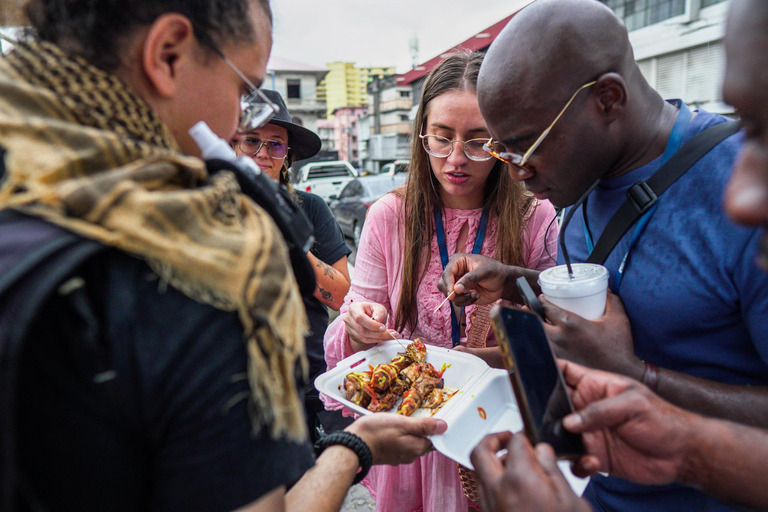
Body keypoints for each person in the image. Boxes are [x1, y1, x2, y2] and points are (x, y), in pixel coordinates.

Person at [0, 1, 447, 511]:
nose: (239, 129)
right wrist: (354, 449)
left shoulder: (22, 196)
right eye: (242, 91)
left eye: (273, 143)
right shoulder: (200, 268)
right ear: (167, 55)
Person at [438, 0, 768, 510]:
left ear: (608, 99)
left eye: (527, 146)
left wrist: (639, 377)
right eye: (504, 151)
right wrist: (522, 282)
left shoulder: (746, 191)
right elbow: (627, 297)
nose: (517, 171)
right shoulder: (578, 179)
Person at [323, 51, 559, 511]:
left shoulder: (536, 216)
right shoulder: (389, 216)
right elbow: (357, 316)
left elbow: (559, 335)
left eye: (478, 142)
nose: (456, 159)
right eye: (442, 138)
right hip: (414, 430)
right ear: (422, 135)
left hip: (501, 426)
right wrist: (360, 324)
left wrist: (484, 359)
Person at [233, 89, 353, 442]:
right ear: (232, 143)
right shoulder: (210, 210)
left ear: (287, 155)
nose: (262, 153)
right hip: (237, 383)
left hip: (307, 378)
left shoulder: (310, 209)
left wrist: (288, 233)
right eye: (251, 141)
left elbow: (341, 296)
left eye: (275, 145)